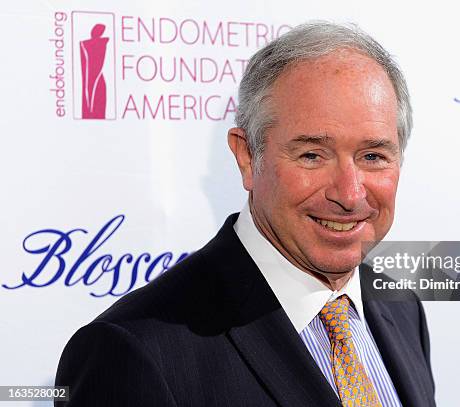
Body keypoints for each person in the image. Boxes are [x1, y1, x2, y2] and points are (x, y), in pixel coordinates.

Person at [55, 22, 436, 407]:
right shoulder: (132, 352)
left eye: (373, 156)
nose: (349, 194)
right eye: (312, 155)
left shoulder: (401, 308)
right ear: (247, 157)